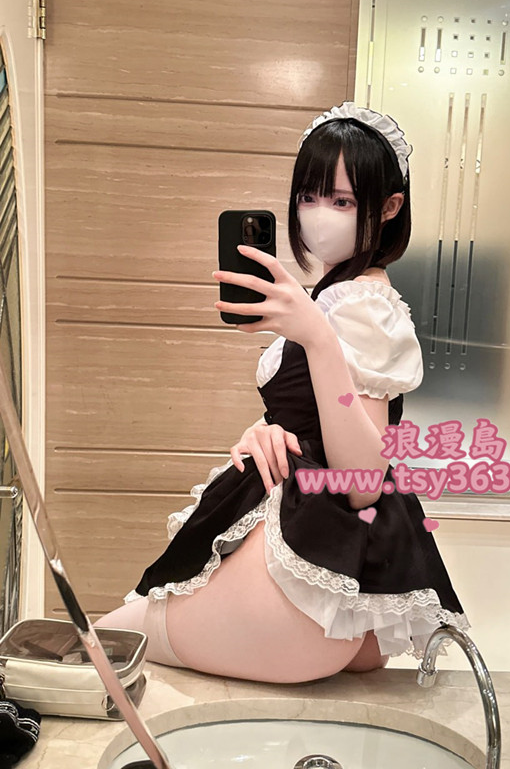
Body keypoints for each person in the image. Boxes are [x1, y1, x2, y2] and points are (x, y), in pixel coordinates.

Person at [95, 101, 471, 683]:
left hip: (310, 561)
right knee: (113, 649)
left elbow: (363, 479)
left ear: (389, 207)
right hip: (313, 563)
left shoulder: (361, 303)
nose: (319, 216)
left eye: (342, 201)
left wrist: (317, 338)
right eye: (308, 197)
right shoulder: (334, 294)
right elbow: (318, 418)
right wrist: (265, 429)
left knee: (104, 647)